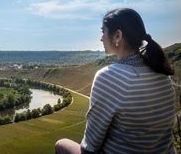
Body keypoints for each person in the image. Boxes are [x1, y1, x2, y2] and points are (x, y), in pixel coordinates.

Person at [55, 8, 175, 154]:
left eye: (103, 31)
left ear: (117, 36)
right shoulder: (163, 74)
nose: (101, 38)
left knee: (61, 144)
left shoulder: (109, 76)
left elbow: (89, 147)